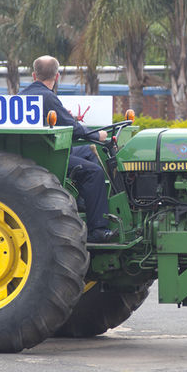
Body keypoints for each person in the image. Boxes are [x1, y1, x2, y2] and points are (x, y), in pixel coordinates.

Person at [20, 55, 114, 243]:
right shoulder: (48, 97)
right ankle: (98, 229)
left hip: (37, 151)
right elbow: (73, 128)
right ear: (57, 76)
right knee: (94, 172)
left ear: (33, 75)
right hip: (48, 156)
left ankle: (85, 200)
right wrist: (98, 136)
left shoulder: (23, 95)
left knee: (87, 152)